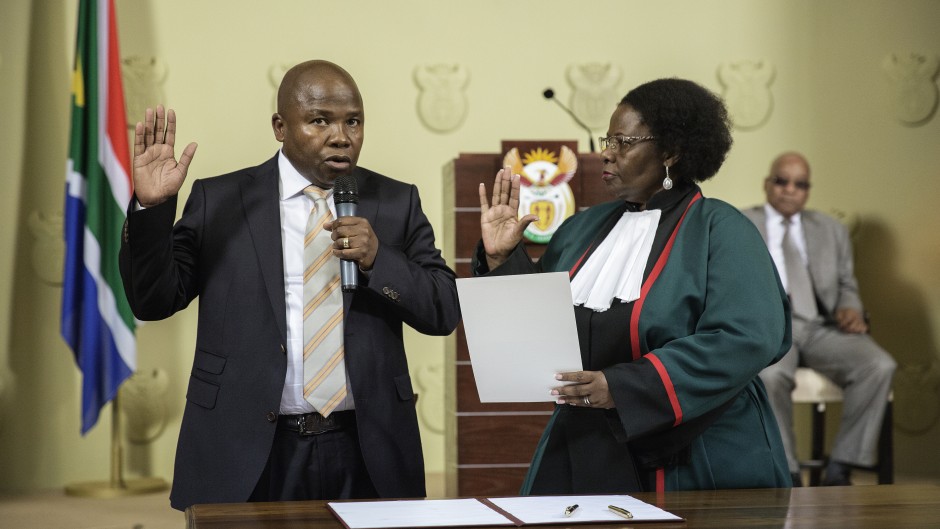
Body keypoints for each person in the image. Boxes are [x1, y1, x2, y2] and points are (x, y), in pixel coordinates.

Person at [119, 60, 460, 510]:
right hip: (248, 445)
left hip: (365, 446)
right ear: (280, 126)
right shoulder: (219, 200)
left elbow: (443, 311)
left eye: (353, 121)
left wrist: (380, 259)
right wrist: (151, 209)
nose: (341, 135)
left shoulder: (395, 201)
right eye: (320, 120)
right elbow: (153, 300)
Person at [475, 78, 791, 493]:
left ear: (671, 152)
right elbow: (538, 330)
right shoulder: (580, 229)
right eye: (609, 139)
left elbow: (746, 338)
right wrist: (502, 258)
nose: (605, 152)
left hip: (694, 448)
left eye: (623, 142)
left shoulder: (721, 228)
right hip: (585, 444)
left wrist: (621, 387)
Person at [742, 152, 896, 486]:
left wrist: (851, 308)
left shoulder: (831, 229)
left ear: (807, 191)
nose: (789, 190)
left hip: (822, 327)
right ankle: (789, 472)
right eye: (782, 181)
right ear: (767, 184)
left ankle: (841, 467)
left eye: (800, 184)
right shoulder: (741, 223)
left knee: (879, 365)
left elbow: (846, 286)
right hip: (771, 325)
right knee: (769, 377)